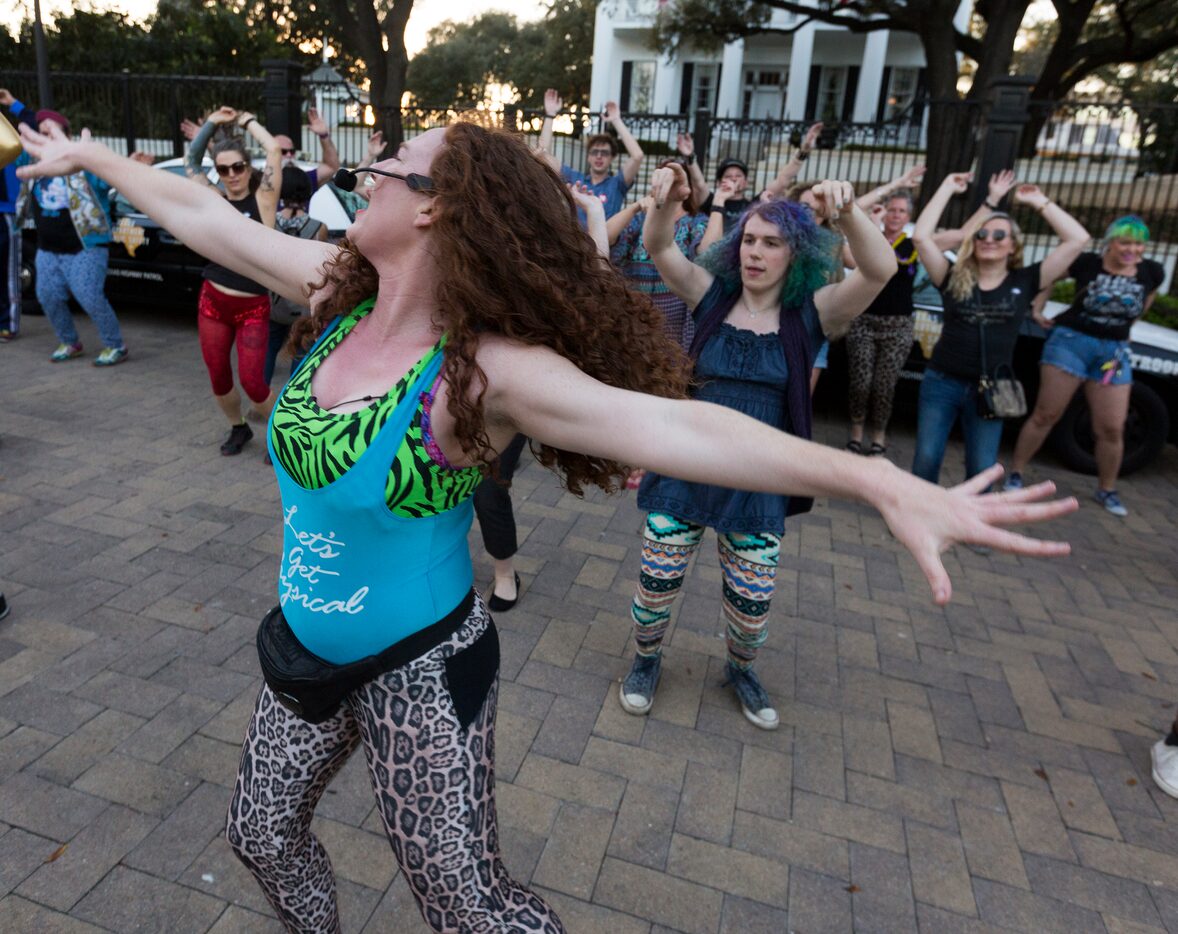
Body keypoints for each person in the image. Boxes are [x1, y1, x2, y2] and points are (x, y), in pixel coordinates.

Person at [17, 118, 1077, 933]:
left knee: (465, 904)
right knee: (257, 833)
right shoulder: (336, 287)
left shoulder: (486, 369)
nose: (370, 173)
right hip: (302, 652)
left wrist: (878, 482)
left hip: (419, 670)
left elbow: (675, 427)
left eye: (390, 165)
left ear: (434, 207)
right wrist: (94, 155)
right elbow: (203, 217)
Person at [618, 165, 902, 730]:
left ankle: (741, 669)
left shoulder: (813, 315)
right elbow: (657, 244)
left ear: (794, 254)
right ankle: (645, 660)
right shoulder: (711, 294)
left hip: (759, 485)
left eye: (771, 243)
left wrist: (847, 210)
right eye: (749, 239)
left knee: (750, 609)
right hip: (684, 471)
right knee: (655, 587)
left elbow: (880, 269)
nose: (755, 252)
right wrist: (667, 200)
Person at [910, 173, 1089, 485]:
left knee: (982, 466)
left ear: (1012, 246)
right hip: (942, 382)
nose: (989, 239)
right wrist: (947, 188)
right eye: (981, 234)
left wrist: (1038, 202)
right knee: (926, 456)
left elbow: (1078, 240)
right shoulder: (952, 277)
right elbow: (921, 238)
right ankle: (919, 516)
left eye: (998, 234)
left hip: (992, 387)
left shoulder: (1026, 280)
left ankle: (973, 525)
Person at [844, 169, 1019, 456]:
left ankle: (878, 435)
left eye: (902, 211)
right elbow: (849, 214)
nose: (896, 215)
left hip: (898, 325)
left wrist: (992, 199)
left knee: (885, 386)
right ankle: (855, 432)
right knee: (861, 383)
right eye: (891, 209)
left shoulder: (913, 244)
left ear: (908, 216)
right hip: (864, 321)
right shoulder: (869, 240)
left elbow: (963, 234)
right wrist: (880, 211)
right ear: (884, 212)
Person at [1007, 216, 1163, 516]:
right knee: (1047, 414)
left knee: (1111, 427)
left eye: (1139, 243)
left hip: (1113, 352)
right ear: (1110, 243)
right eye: (1125, 242)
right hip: (1071, 342)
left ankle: (1107, 489)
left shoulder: (1152, 271)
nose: (1133, 249)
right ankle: (1016, 472)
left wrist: (1126, 327)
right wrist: (1037, 309)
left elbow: (1147, 299)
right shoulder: (1086, 262)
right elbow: (1047, 276)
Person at [185, 106, 282, 455]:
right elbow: (192, 164)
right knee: (219, 377)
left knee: (254, 383)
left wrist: (247, 121)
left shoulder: (264, 199)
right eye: (224, 169)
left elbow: (273, 151)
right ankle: (238, 428)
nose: (231, 174)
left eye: (237, 167)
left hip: (252, 305)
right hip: (213, 301)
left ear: (247, 167)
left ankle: (280, 438)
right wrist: (211, 122)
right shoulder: (216, 199)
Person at [10, 102, 128, 365]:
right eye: (41, 133)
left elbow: (110, 177)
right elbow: (13, 138)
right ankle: (70, 341)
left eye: (50, 134)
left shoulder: (83, 165)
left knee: (89, 295)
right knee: (47, 296)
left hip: (86, 246)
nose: (45, 139)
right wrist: (13, 107)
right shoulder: (31, 163)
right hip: (48, 248)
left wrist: (128, 165)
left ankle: (115, 345)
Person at [607, 159, 708, 348]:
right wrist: (636, 206)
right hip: (637, 318)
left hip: (675, 324)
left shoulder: (697, 222)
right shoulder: (640, 220)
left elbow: (703, 257)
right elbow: (604, 238)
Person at [694, 122, 825, 251]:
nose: (733, 178)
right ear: (719, 182)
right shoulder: (711, 202)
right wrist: (690, 158)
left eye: (738, 175)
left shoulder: (755, 204)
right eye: (728, 176)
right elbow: (699, 183)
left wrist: (803, 150)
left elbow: (783, 180)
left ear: (746, 182)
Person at [265, 166, 328, 388]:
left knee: (269, 349)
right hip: (303, 303)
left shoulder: (269, 223)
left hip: (274, 302)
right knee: (300, 352)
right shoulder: (319, 228)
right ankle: (289, 402)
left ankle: (259, 400)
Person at [538, 89, 644, 218]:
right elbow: (542, 155)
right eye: (594, 152)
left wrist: (616, 120)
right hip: (577, 238)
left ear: (612, 158)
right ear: (588, 157)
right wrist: (550, 115)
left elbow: (637, 156)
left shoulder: (617, 184)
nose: (599, 156)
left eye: (604, 153)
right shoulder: (575, 179)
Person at [0, 89, 24, 342]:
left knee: (7, 271)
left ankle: (8, 323)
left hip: (5, 213)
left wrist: (13, 105)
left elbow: (35, 124)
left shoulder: (10, 141)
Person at [273, 107, 340, 191]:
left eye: (292, 151)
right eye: (283, 152)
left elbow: (331, 167)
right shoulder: (261, 183)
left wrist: (324, 136)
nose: (289, 155)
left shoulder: (304, 179)